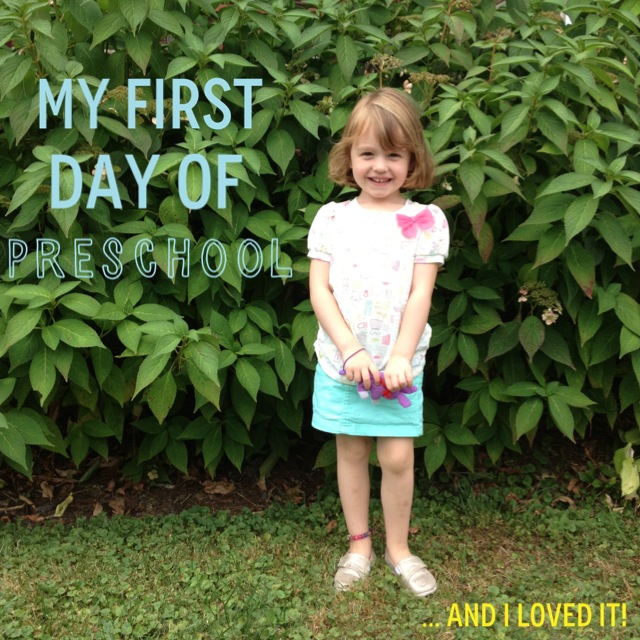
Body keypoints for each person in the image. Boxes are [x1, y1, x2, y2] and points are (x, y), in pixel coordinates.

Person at [307, 87, 449, 597]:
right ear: (349, 156)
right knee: (350, 451)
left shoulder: (426, 221)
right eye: (368, 153)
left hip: (397, 369)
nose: (380, 166)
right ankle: (359, 546)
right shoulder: (332, 218)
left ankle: (399, 549)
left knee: (396, 458)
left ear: (413, 159)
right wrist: (350, 349)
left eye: (394, 154)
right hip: (343, 363)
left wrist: (401, 356)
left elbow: (420, 294)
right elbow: (320, 290)